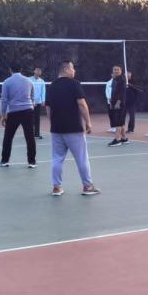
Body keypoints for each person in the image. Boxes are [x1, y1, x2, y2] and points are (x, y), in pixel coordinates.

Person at [45, 60, 98, 196]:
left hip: (56, 130)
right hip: (74, 129)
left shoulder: (52, 86)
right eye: (73, 68)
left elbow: (48, 108)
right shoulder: (74, 84)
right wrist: (88, 122)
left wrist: (53, 122)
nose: (74, 71)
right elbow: (82, 104)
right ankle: (87, 186)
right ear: (66, 69)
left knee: (57, 159)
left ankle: (56, 187)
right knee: (82, 158)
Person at [0, 61, 37, 168]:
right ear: (21, 69)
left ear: (10, 70)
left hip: (13, 112)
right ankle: (32, 162)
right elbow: (32, 96)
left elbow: (4, 99)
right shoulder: (29, 81)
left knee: (8, 137)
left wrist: (3, 115)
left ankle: (4, 160)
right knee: (30, 137)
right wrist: (31, 106)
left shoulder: (7, 82)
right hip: (28, 111)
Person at [106, 64, 128, 146]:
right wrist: (111, 102)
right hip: (114, 103)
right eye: (114, 69)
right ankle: (124, 138)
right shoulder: (115, 80)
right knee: (121, 122)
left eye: (117, 69)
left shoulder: (121, 80)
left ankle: (117, 140)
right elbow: (114, 93)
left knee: (118, 122)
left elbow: (122, 93)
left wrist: (118, 103)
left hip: (119, 104)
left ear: (121, 71)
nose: (116, 71)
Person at [30, 67, 47, 139]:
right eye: (37, 70)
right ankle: (30, 133)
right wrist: (31, 101)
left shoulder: (42, 81)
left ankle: (37, 134)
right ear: (34, 71)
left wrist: (43, 100)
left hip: (38, 102)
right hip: (30, 102)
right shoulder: (29, 80)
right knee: (31, 118)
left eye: (40, 70)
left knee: (37, 118)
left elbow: (43, 91)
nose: (38, 71)